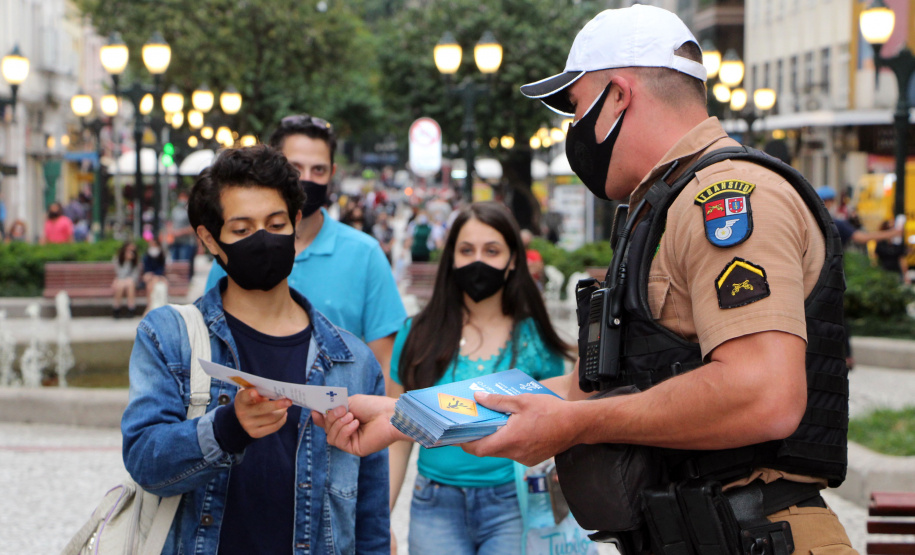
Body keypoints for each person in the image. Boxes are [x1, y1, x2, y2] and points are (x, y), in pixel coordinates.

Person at [317, 6, 858, 555]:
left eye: (575, 107)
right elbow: (576, 391)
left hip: (758, 535)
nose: (573, 129)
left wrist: (577, 426)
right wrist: (405, 414)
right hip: (699, 534)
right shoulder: (661, 209)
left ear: (618, 95)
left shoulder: (726, 198)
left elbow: (764, 394)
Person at [121, 145, 389, 554]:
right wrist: (227, 428)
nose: (263, 239)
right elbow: (145, 461)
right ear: (210, 239)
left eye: (276, 223)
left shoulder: (352, 360)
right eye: (242, 230)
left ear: (296, 223)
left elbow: (369, 514)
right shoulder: (170, 336)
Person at [387, 201, 571, 554]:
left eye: (492, 250)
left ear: (513, 259)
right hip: (433, 504)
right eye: (466, 250)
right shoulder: (416, 334)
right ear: (451, 258)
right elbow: (398, 434)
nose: (478, 261)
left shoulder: (536, 340)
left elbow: (558, 428)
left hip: (512, 506)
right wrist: (382, 517)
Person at [204, 115, 406, 392]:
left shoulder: (365, 254)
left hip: (337, 426)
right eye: (295, 167)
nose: (306, 179)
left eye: (319, 170)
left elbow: (386, 367)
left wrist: (391, 433)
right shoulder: (235, 252)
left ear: (332, 173)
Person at [167, 190, 197, 279]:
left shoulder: (190, 210)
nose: (182, 199)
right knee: (175, 265)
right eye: (180, 197)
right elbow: (170, 222)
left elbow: (193, 227)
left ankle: (185, 283)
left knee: (184, 265)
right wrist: (170, 231)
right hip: (175, 242)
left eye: (184, 197)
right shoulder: (175, 210)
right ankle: (177, 285)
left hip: (187, 242)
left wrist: (180, 232)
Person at [112, 241, 140, 318]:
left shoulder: (136, 259)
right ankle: (117, 308)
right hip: (120, 280)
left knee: (129, 283)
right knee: (121, 284)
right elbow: (119, 273)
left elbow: (135, 275)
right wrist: (126, 261)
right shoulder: (118, 258)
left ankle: (131, 308)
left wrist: (130, 261)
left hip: (131, 281)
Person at [141, 237, 169, 312]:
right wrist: (150, 275)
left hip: (158, 277)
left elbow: (161, 269)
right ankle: (149, 305)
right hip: (149, 277)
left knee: (157, 282)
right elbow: (146, 269)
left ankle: (155, 306)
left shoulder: (161, 256)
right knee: (150, 283)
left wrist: (155, 276)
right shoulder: (146, 256)